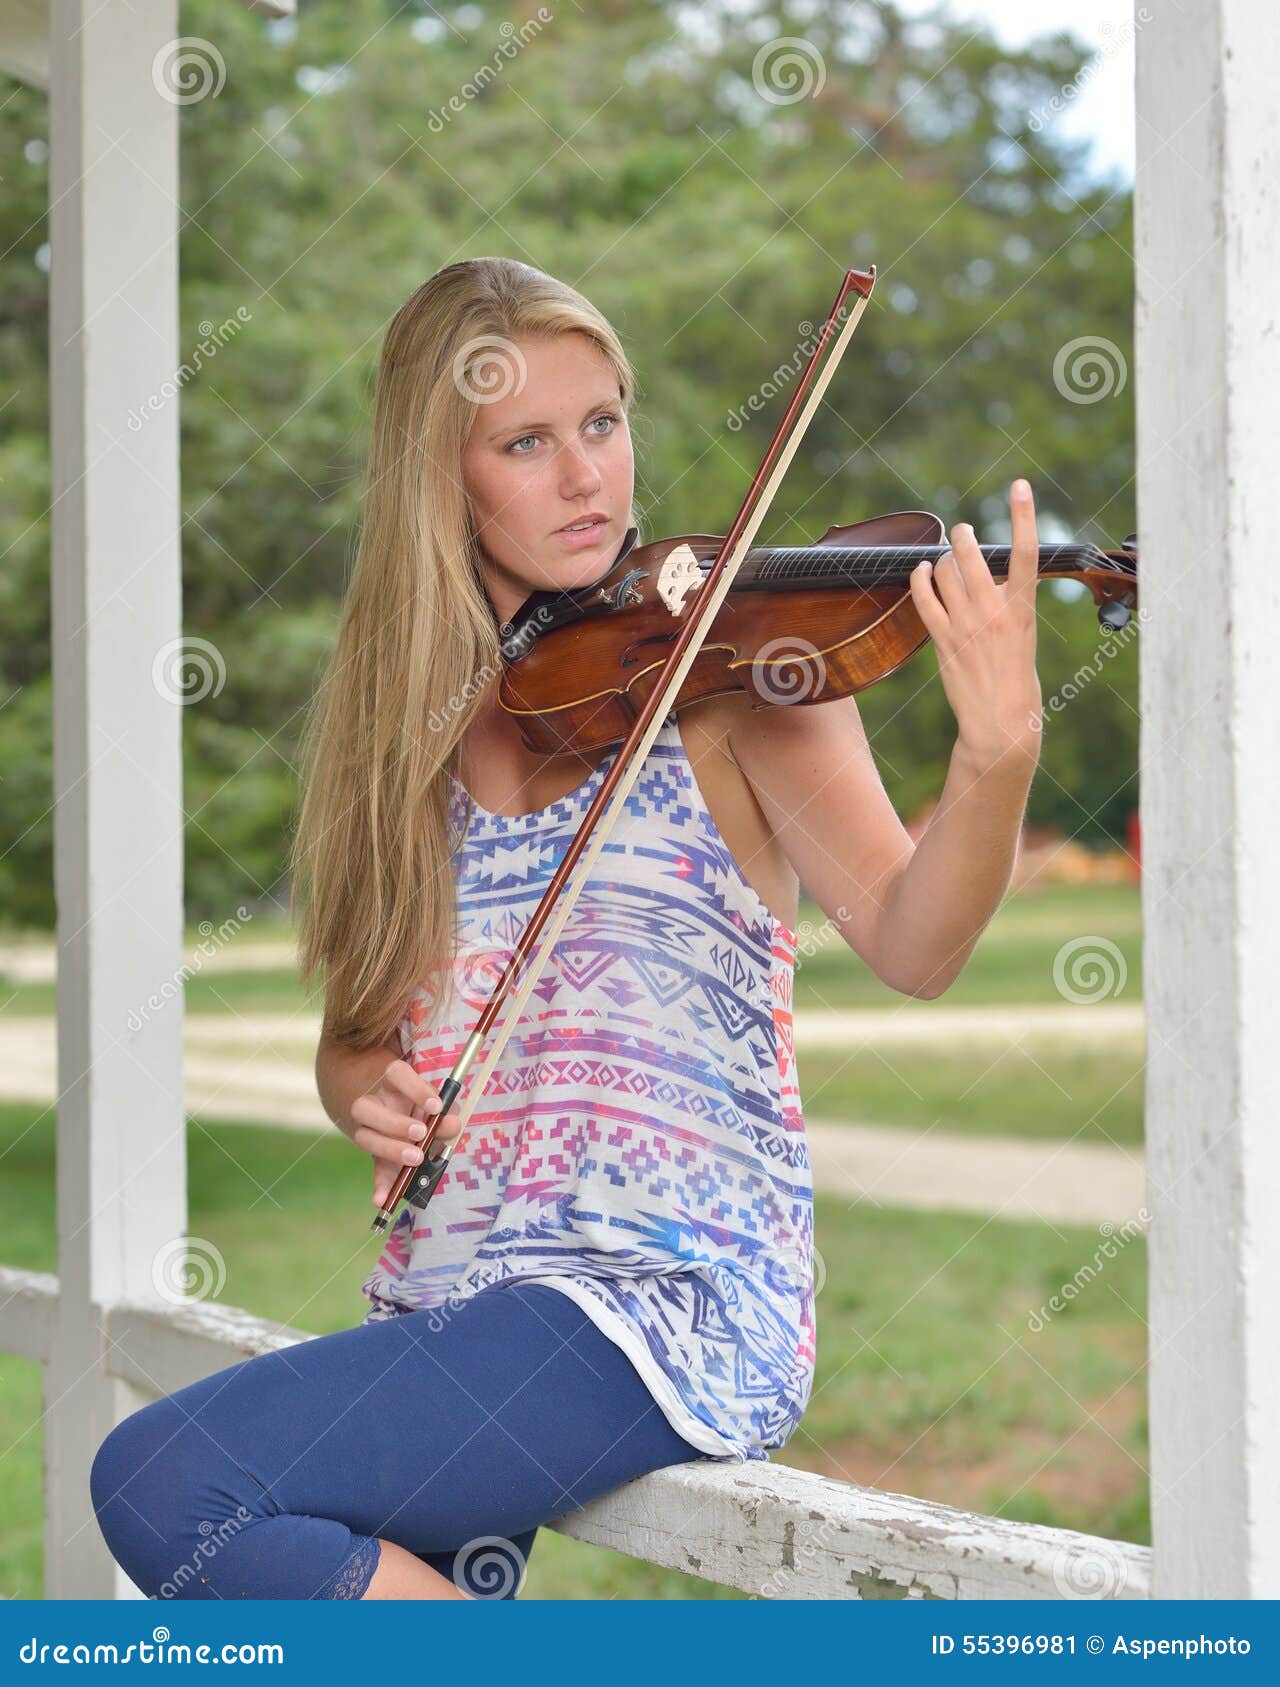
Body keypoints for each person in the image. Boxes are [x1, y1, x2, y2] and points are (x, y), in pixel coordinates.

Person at [89, 257, 1042, 1600]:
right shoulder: (402, 737)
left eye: (603, 421)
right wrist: (368, 1093)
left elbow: (914, 937)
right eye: (527, 443)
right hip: (460, 1292)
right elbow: (356, 1041)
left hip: (659, 1300)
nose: (589, 475)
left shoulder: (740, 676)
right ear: (443, 478)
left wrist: (997, 757)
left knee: (163, 1480)